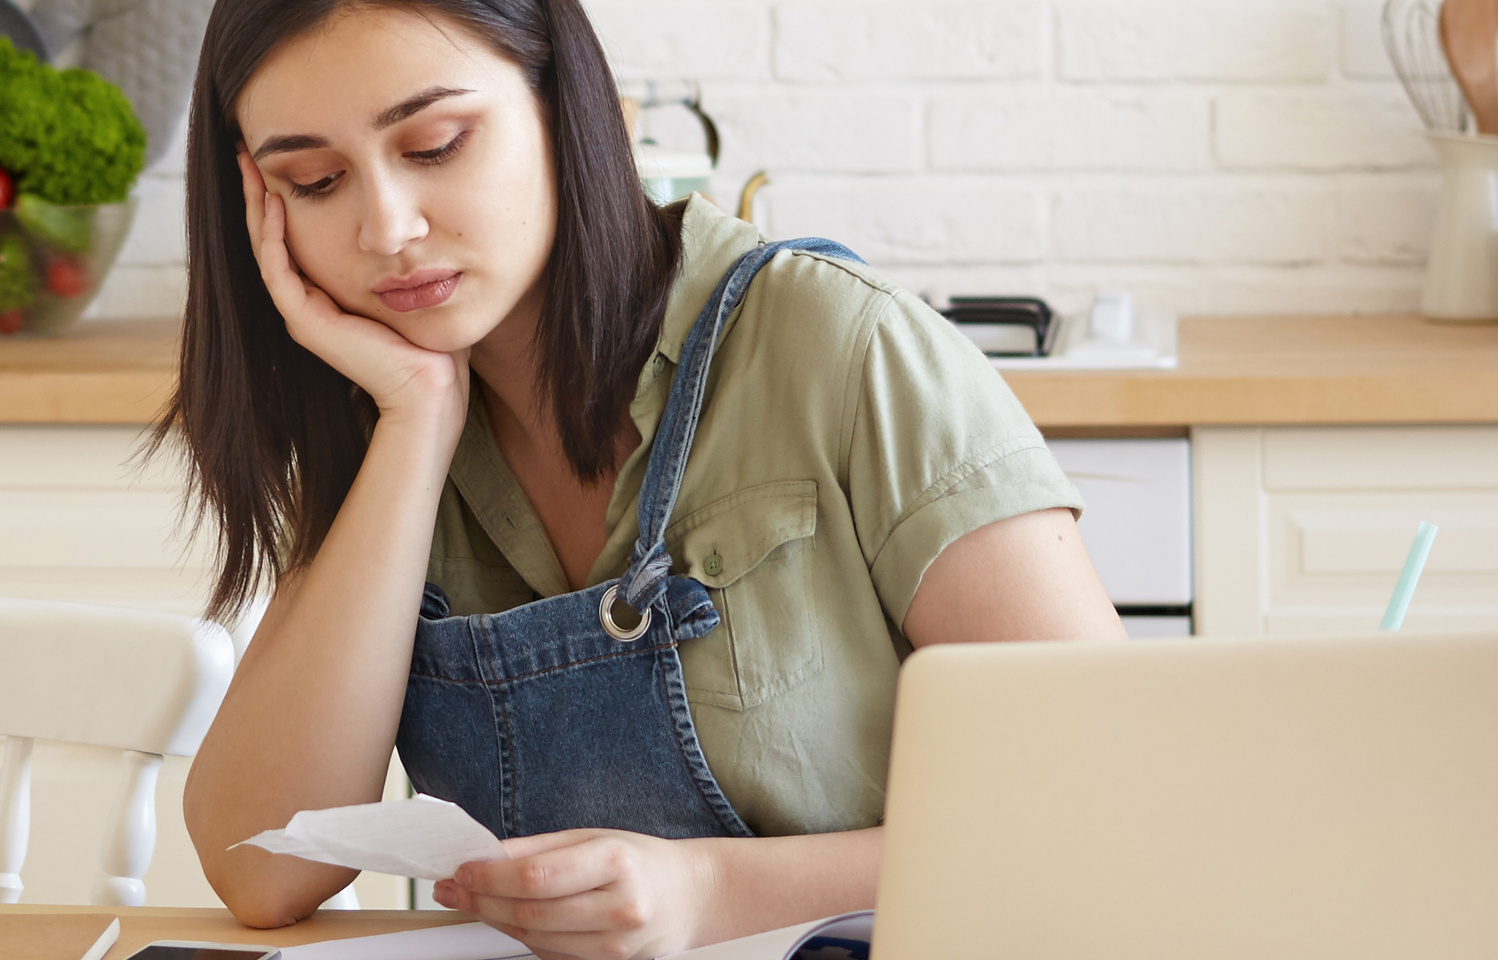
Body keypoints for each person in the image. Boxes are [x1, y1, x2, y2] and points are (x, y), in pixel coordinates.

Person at [162, 1, 1129, 956]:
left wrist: (713, 892)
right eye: (316, 180)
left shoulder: (838, 345)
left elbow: (1112, 808)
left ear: (573, 111)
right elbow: (263, 871)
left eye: (436, 145)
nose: (387, 227)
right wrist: (416, 423)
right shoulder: (380, 418)